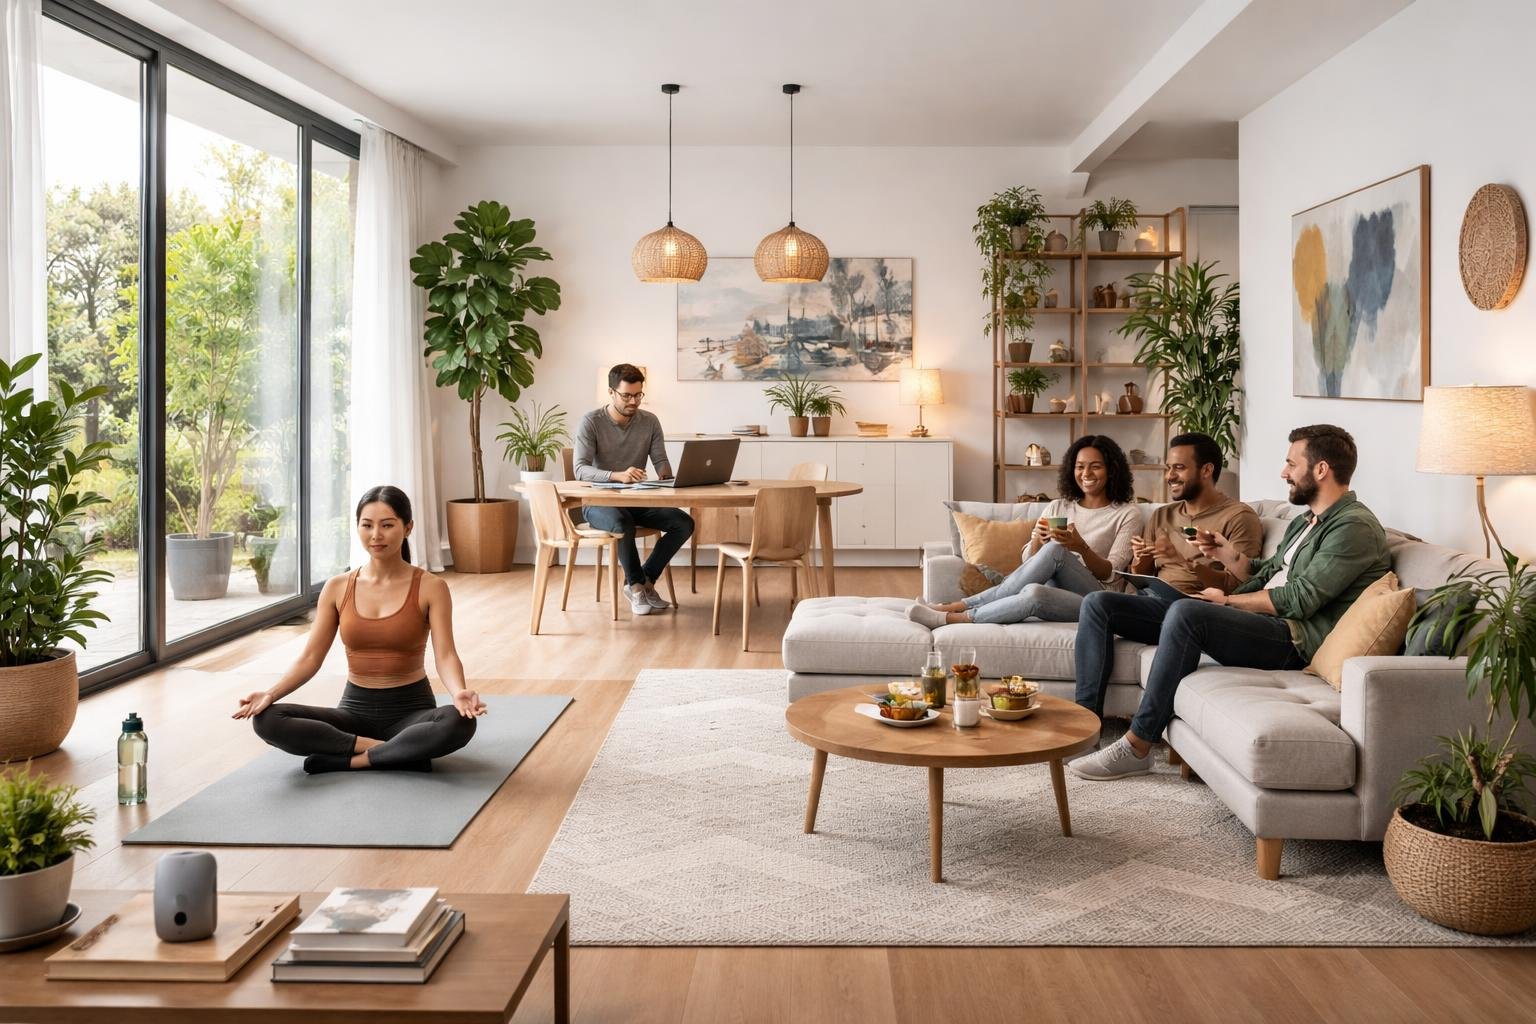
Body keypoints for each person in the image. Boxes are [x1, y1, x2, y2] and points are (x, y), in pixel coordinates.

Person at [1070, 424, 1391, 781]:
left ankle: (1137, 746)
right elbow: (1266, 570)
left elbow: (1301, 598)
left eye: (1290, 464)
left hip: (1293, 639)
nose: (1284, 472)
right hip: (1267, 621)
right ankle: (1085, 728)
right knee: (1101, 603)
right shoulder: (1307, 522)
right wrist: (1225, 554)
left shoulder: (1354, 527)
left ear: (1320, 470)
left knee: (1188, 613)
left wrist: (1227, 603)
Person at [232, 485, 485, 774]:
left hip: (412, 712)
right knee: (267, 719)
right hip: (354, 712)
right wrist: (270, 694)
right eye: (367, 525)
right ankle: (398, 751)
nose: (376, 535)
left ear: (408, 527)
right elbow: (311, 658)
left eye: (387, 525)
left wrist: (458, 692)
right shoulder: (338, 587)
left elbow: (446, 655)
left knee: (461, 722)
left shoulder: (431, 587)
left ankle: (354, 759)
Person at [907, 435, 1141, 628]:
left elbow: (1112, 574)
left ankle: (953, 612)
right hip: (1055, 589)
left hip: (1098, 597)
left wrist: (1080, 547)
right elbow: (1029, 563)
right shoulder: (1059, 506)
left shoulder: (1127, 514)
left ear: (1112, 470)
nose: (1086, 474)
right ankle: (950, 614)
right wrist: (1038, 541)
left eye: (1095, 466)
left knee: (1056, 549)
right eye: (1080, 467)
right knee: (1033, 593)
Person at [573, 364, 694, 617]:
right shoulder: (591, 422)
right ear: (611, 392)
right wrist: (617, 476)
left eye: (638, 395)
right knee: (622, 521)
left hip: (637, 499)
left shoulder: (649, 421)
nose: (634, 401)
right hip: (599, 503)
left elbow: (660, 460)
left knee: (683, 522)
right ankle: (638, 587)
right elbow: (580, 469)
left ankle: (642, 581)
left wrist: (666, 475)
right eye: (627, 395)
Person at [1126, 432, 1263, 595]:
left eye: (1179, 467)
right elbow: (1143, 578)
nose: (1169, 476)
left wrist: (1184, 563)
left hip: (1197, 605)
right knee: (1097, 600)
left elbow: (1240, 585)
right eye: (1169, 468)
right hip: (1153, 598)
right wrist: (1143, 557)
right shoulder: (1161, 515)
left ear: (1206, 470)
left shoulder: (1238, 517)